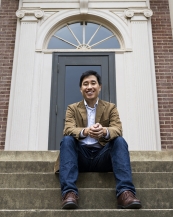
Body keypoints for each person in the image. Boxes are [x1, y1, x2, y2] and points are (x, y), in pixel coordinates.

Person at [54, 70, 141, 209]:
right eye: (85, 84)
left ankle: (125, 192)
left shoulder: (110, 107)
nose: (89, 87)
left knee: (119, 140)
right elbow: (68, 129)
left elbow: (117, 129)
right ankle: (69, 193)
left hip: (103, 156)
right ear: (81, 89)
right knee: (67, 140)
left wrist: (104, 131)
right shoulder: (72, 108)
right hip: (79, 157)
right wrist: (86, 131)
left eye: (93, 83)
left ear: (99, 87)